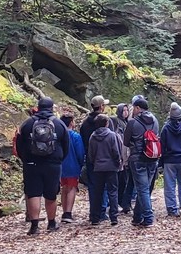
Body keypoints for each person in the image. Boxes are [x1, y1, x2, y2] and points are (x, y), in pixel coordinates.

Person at [16, 97, 69, 235]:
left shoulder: (27, 123)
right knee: (51, 194)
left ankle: (34, 226)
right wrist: (58, 159)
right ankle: (51, 223)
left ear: (38, 107)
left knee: (34, 193)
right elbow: (66, 145)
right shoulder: (59, 124)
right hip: (53, 164)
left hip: (31, 164)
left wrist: (26, 159)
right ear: (52, 108)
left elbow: (19, 145)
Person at [124, 97, 160, 227]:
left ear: (138, 108)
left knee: (142, 189)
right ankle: (137, 217)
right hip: (152, 157)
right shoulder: (155, 121)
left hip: (137, 158)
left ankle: (149, 218)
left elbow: (125, 142)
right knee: (144, 188)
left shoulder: (133, 122)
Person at [87, 114, 122, 226]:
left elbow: (90, 154)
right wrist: (118, 163)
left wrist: (94, 163)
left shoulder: (93, 136)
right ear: (107, 123)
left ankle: (95, 217)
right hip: (111, 167)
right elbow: (115, 152)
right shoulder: (112, 135)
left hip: (98, 168)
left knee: (98, 192)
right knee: (113, 192)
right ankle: (114, 216)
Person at [80, 95, 111, 220]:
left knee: (93, 186)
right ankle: (103, 211)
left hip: (90, 158)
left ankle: (94, 213)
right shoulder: (105, 121)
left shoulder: (85, 123)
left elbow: (83, 140)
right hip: (105, 158)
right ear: (102, 106)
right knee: (104, 186)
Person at [160, 102, 181, 216]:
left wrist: (162, 160)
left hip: (169, 160)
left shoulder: (165, 128)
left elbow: (162, 145)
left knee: (169, 186)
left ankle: (172, 209)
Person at [59, 115, 85, 223]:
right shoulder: (75, 136)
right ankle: (68, 213)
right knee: (71, 188)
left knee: (64, 188)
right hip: (72, 165)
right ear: (71, 123)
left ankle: (64, 210)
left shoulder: (59, 135)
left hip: (60, 166)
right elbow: (80, 152)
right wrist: (81, 163)